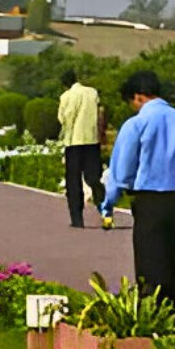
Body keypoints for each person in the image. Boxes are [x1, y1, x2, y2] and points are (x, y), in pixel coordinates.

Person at [99, 70, 175, 336]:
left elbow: (122, 171)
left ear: (137, 97)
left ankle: (156, 328)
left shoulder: (136, 125)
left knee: (152, 269)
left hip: (151, 202)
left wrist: (109, 203)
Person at [57, 69, 105, 230]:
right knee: (93, 177)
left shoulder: (66, 97)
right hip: (92, 140)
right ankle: (105, 209)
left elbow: (64, 118)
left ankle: (77, 218)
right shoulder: (92, 92)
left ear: (64, 84)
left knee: (73, 181)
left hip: (73, 142)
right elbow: (99, 114)